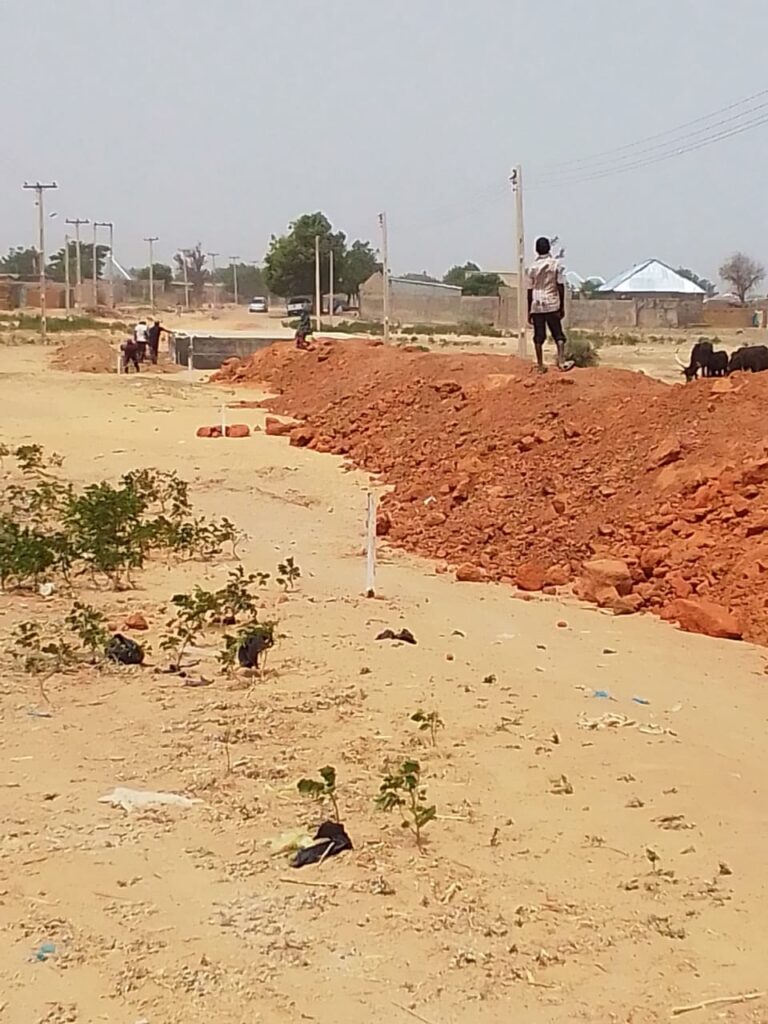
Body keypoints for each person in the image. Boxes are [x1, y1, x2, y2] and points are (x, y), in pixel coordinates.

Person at [526, 236, 569, 373]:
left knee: (539, 336)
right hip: (552, 303)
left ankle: (540, 365)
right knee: (558, 334)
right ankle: (561, 362)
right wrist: (562, 305)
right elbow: (560, 285)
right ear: (549, 248)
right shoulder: (556, 265)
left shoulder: (531, 268)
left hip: (537, 304)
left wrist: (529, 310)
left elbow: (529, 290)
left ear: (536, 250)